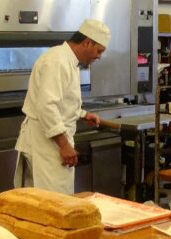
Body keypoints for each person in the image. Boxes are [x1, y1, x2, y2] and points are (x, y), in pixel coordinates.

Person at [14, 19, 110, 194]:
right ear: (87, 42)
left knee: (44, 201)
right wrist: (64, 145)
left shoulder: (67, 60)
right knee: (53, 201)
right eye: (99, 51)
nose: (99, 56)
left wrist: (81, 113)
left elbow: (61, 100)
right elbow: (46, 106)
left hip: (49, 141)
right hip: (47, 143)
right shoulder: (58, 61)